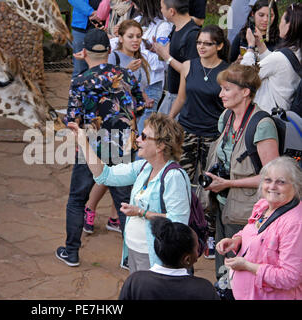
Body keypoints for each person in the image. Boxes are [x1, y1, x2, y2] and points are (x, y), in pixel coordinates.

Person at [56, 28, 145, 267]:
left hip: (92, 148)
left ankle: (72, 252)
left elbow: (73, 120)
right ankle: (130, 258)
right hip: (122, 147)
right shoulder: (126, 75)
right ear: (110, 50)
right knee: (125, 202)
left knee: (77, 199)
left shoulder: (80, 81)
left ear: (83, 51)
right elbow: (139, 107)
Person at [67, 112, 191, 273]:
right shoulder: (144, 167)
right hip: (134, 252)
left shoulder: (174, 177)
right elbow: (105, 175)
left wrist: (140, 212)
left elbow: (178, 221)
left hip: (156, 258)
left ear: (160, 146)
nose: (138, 139)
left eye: (145, 137)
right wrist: (84, 142)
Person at [203, 64, 280, 279]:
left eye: (227, 89)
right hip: (222, 203)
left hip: (246, 211)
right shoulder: (226, 118)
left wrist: (228, 184)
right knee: (222, 265)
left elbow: (272, 178)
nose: (221, 94)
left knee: (239, 271)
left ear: (245, 91)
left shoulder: (262, 125)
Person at [216, 157, 302, 300]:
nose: (272, 187)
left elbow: (290, 277)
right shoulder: (263, 206)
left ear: (296, 186)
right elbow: (252, 233)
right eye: (268, 180)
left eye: (281, 182)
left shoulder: (295, 224)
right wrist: (236, 241)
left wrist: (248, 266)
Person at [170, 25, 230, 182]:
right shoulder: (188, 66)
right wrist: (170, 118)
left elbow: (229, 106)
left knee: (209, 181)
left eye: (207, 43)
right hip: (187, 130)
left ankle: (205, 208)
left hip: (213, 134)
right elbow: (181, 98)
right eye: (199, 42)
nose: (201, 47)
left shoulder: (227, 72)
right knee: (181, 178)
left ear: (219, 46)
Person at [119, 217, 220, 300]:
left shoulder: (136, 281)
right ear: (187, 259)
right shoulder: (204, 289)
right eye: (197, 249)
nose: (198, 253)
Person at [241, 3, 302, 113]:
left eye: (282, 20)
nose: (279, 24)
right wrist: (261, 44)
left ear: (289, 25)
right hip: (284, 111)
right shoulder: (297, 52)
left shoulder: (278, 58)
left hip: (267, 115)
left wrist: (250, 47)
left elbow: (244, 77)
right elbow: (281, 65)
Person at [130, 0, 173, 135]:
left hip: (151, 84)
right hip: (134, 83)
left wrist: (138, 51)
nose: (133, 6)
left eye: (135, 2)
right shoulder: (137, 20)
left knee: (144, 131)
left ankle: (141, 157)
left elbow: (161, 61)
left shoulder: (163, 26)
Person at [153, 0, 200, 116]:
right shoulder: (176, 28)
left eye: (162, 8)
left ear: (172, 11)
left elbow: (190, 71)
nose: (161, 11)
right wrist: (159, 49)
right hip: (171, 93)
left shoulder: (192, 34)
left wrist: (166, 56)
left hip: (182, 99)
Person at [68, 0, 103, 78]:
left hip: (103, 27)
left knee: (101, 67)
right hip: (81, 28)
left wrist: (101, 14)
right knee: (80, 68)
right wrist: (91, 12)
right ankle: (77, 89)